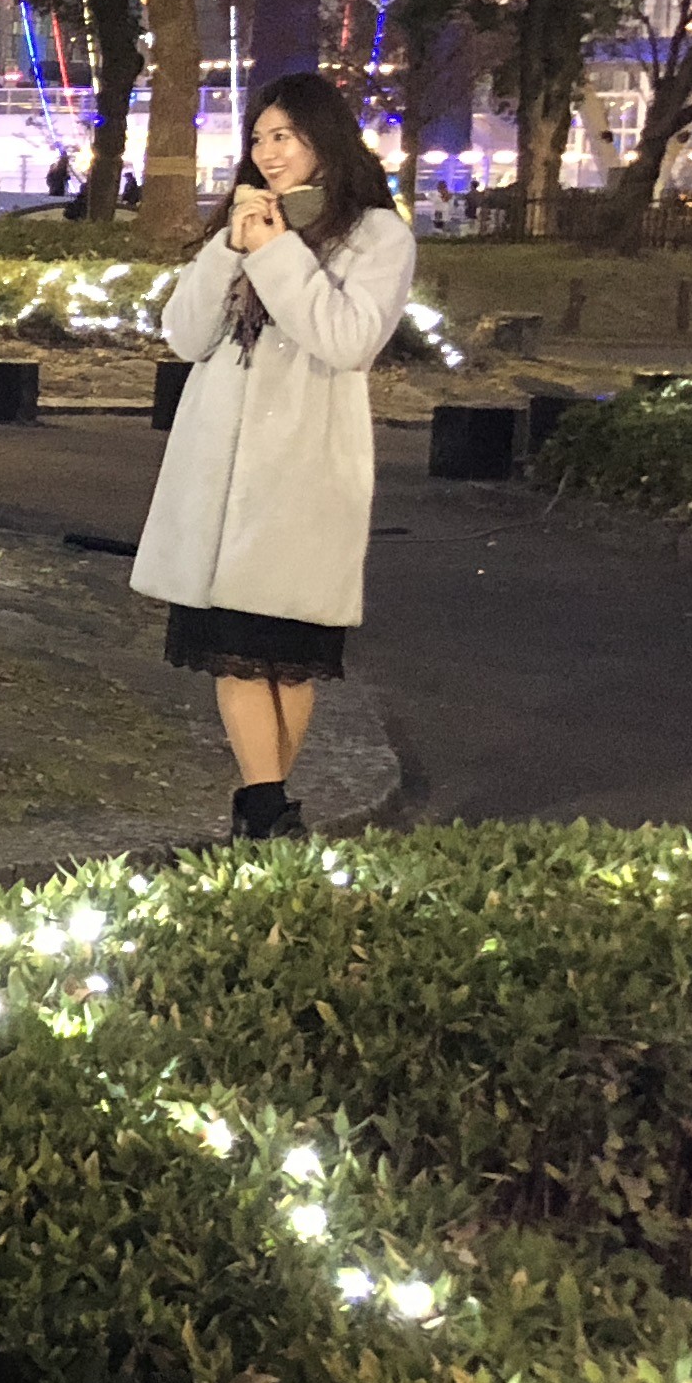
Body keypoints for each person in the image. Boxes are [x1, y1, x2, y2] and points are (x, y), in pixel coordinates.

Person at [131, 72, 415, 842]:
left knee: (287, 659)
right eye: (258, 137)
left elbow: (347, 340)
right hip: (218, 463)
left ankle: (265, 805)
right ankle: (266, 809)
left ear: (325, 139)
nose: (267, 151)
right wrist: (230, 245)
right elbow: (185, 336)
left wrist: (278, 249)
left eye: (282, 135)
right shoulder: (244, 220)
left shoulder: (378, 236)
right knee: (235, 653)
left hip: (305, 461)